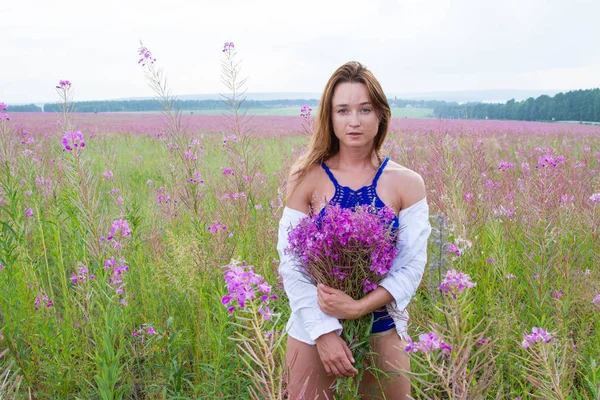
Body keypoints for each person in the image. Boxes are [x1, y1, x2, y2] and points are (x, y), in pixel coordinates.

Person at [277, 61, 432, 399]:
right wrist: (324, 333)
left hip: (380, 323)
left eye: (365, 109)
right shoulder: (305, 178)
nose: (355, 121)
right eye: (343, 110)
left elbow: (411, 266)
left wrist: (360, 308)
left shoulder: (407, 183)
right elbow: (291, 265)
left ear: (381, 115)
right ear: (329, 118)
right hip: (313, 327)